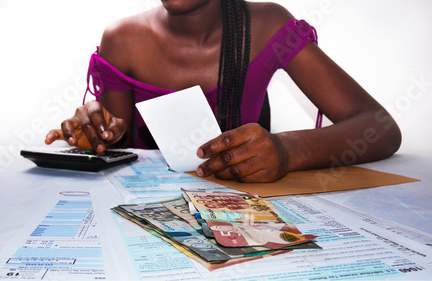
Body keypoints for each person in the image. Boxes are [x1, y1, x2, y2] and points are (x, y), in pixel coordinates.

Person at [45, 0, 401, 183]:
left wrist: (288, 150)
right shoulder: (121, 40)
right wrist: (97, 133)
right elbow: (116, 148)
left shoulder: (267, 25)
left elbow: (379, 126)